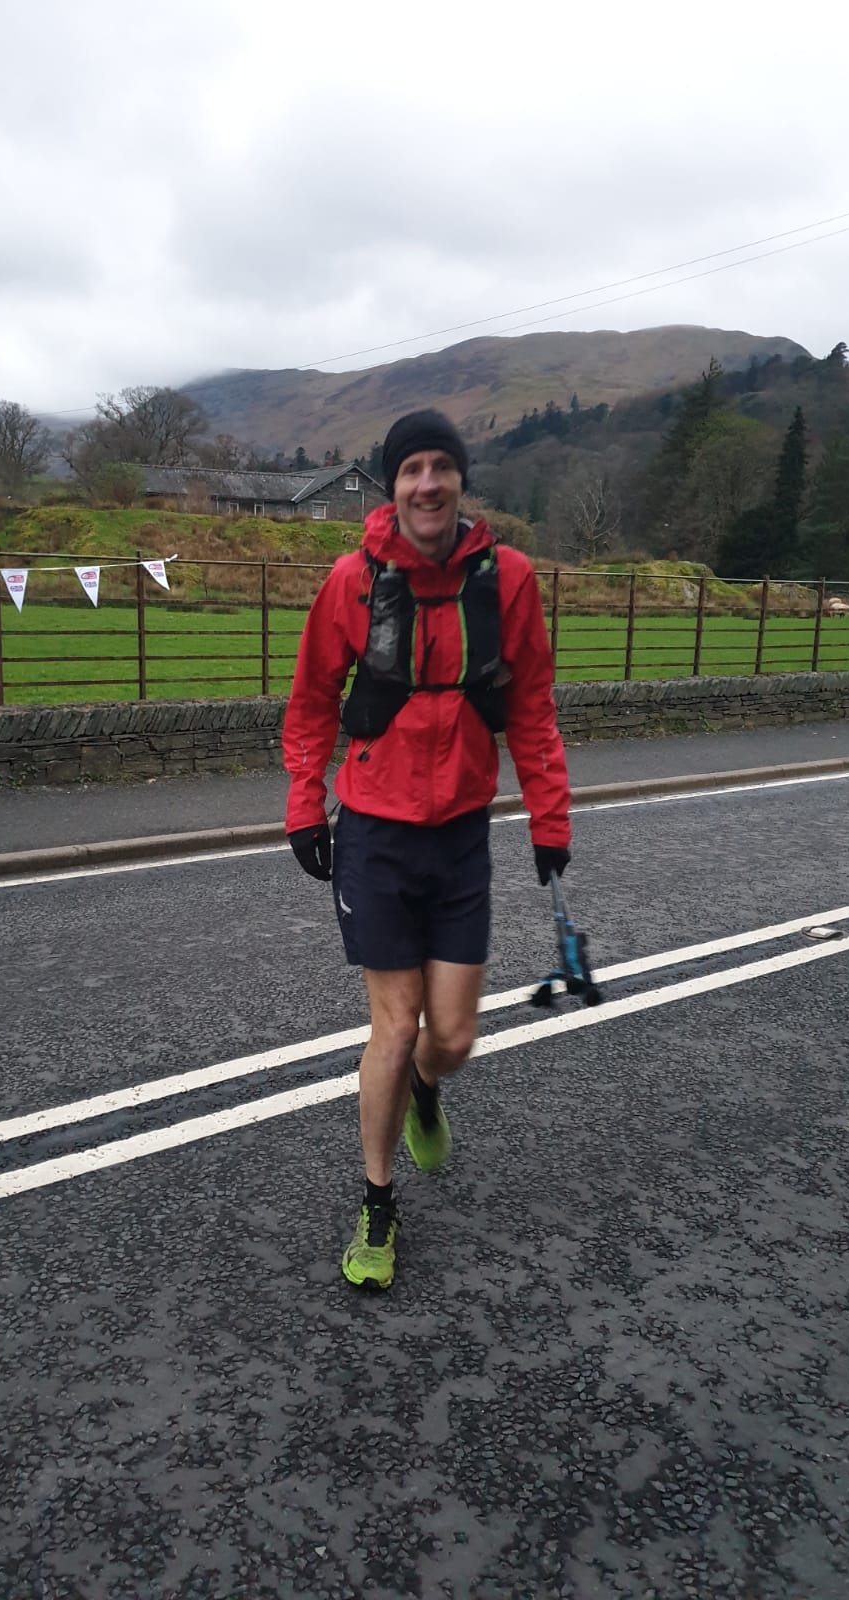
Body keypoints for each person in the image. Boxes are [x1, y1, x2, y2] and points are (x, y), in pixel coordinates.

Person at [282, 408, 572, 1290]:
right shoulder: (351, 581)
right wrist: (306, 803)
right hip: (374, 833)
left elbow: (533, 710)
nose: (428, 483)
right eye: (412, 469)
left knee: (450, 1037)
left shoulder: (508, 580)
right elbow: (308, 704)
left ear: (461, 481)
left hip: (461, 840)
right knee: (394, 1027)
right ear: (393, 485)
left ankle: (430, 1092)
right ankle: (377, 1204)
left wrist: (551, 821)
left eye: (442, 466)